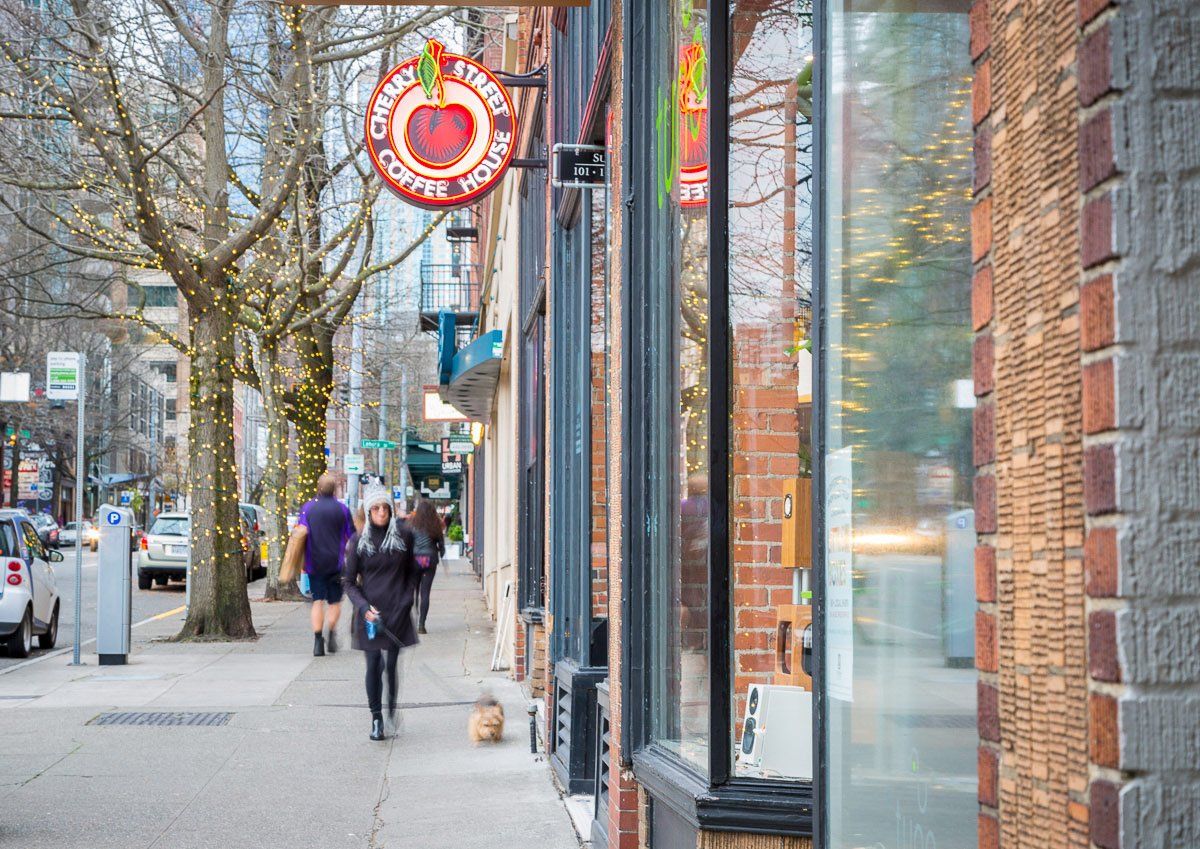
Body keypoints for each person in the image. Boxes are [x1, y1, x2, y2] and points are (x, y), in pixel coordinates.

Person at [342, 484, 419, 741]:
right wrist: (363, 607)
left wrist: (406, 602)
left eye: (385, 507)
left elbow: (413, 574)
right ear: (368, 510)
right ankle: (376, 718)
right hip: (370, 615)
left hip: (397, 610)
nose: (381, 512)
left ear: (391, 509)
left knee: (392, 665)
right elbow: (349, 582)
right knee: (374, 664)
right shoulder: (358, 541)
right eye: (375, 508)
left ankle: (392, 709)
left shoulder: (404, 536)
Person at [296, 472, 354, 657]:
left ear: (319, 488)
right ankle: (331, 632)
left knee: (317, 601)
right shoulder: (342, 509)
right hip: (336, 564)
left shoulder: (308, 508)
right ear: (335, 489)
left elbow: (300, 532)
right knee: (335, 602)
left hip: (314, 562)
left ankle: (317, 641)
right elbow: (351, 536)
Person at [407, 498, 446, 635]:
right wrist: (440, 551)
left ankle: (410, 622)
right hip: (430, 559)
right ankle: (421, 625)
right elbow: (442, 547)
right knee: (425, 593)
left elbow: (407, 543)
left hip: (415, 559)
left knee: (412, 591)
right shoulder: (436, 524)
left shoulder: (411, 524)